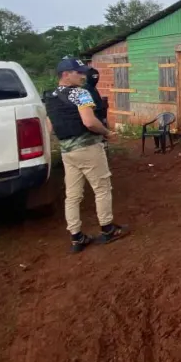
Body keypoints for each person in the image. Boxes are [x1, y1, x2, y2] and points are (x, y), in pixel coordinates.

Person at [44, 57, 129, 253]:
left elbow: (49, 127)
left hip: (68, 153)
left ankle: (76, 237)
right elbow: (89, 122)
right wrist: (107, 133)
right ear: (66, 75)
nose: (83, 76)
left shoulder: (50, 97)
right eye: (78, 72)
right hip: (88, 149)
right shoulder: (81, 94)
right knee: (102, 188)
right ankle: (108, 229)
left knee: (72, 196)